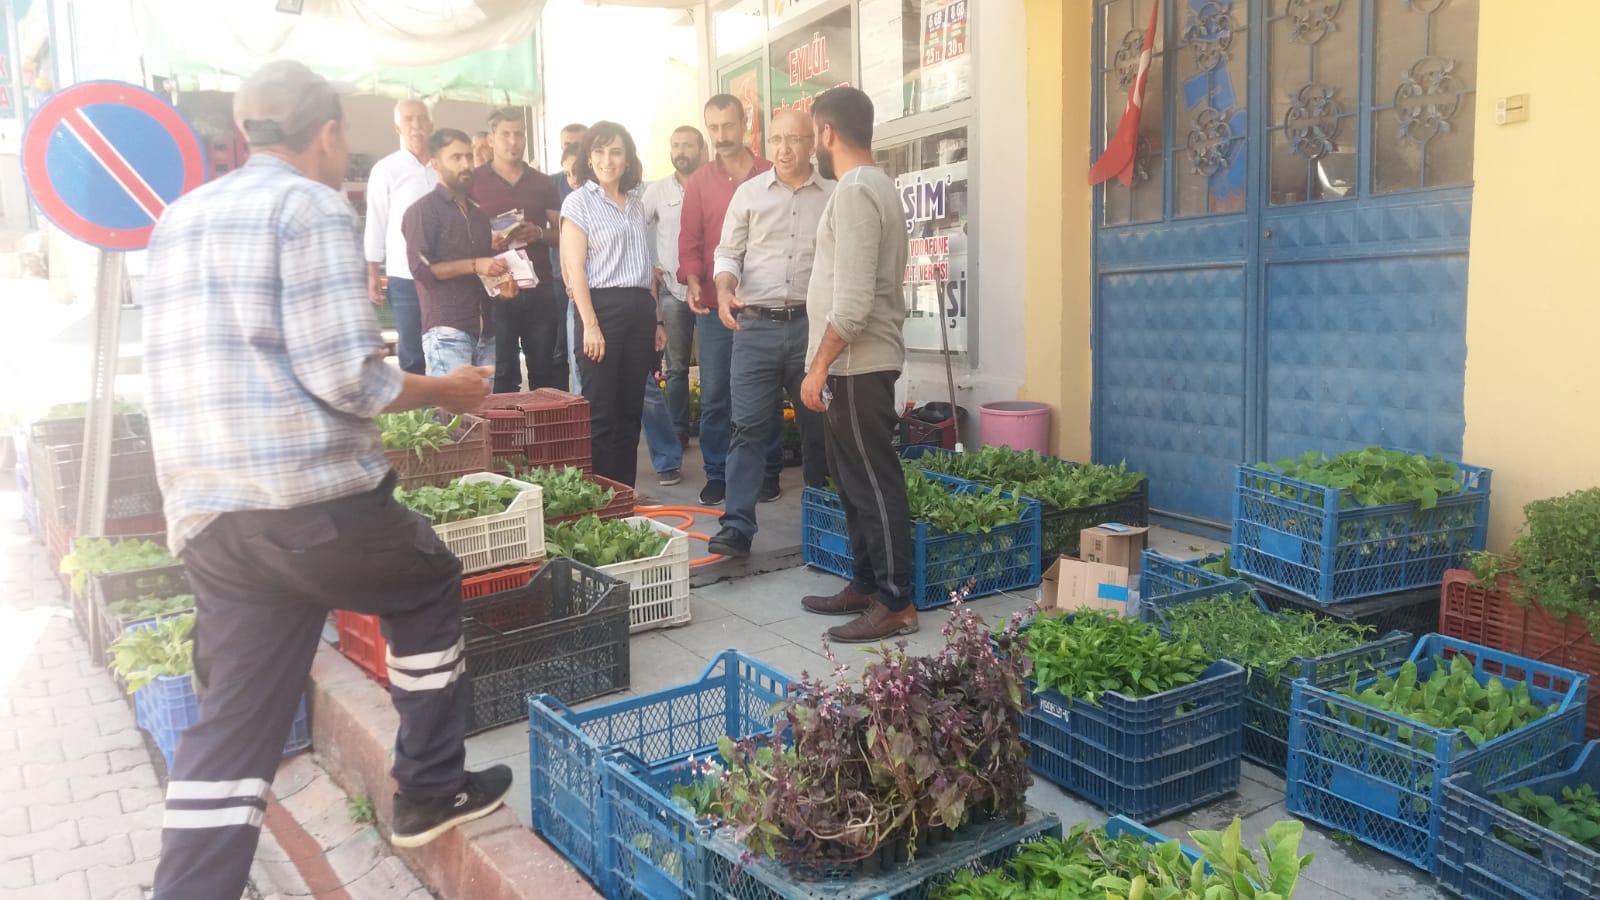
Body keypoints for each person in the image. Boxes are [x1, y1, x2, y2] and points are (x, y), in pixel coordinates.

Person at [139, 61, 509, 900]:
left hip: (209, 513)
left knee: (232, 736)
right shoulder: (309, 206)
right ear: (331, 133)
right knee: (426, 577)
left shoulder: (178, 218)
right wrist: (443, 390)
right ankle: (428, 787)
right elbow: (350, 378)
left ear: (245, 128)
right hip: (309, 498)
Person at [797, 86, 917, 644]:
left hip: (856, 365)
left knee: (873, 482)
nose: (811, 146)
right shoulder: (872, 185)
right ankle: (867, 585)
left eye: (811, 135)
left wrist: (817, 366)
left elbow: (852, 303)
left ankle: (895, 602)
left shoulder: (856, 190)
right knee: (852, 482)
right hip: (852, 365)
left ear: (827, 133)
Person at [705, 110, 833, 558]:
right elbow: (728, 253)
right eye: (776, 139)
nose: (784, 149)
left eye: (794, 139)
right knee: (747, 428)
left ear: (812, 142)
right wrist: (724, 289)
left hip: (812, 329)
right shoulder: (749, 194)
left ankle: (824, 524)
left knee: (819, 430)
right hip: (755, 326)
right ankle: (737, 527)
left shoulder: (833, 195)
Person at [679, 94, 785, 506]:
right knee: (716, 394)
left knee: (767, 393)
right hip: (714, 306)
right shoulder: (699, 182)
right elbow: (691, 240)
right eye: (714, 128)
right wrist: (692, 280)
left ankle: (768, 471)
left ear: (745, 124)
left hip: (764, 305)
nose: (721, 135)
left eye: (728, 125)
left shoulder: (772, 172)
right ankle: (718, 474)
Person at [559, 121, 663, 487]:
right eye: (600, 152)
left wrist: (657, 319)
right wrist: (590, 324)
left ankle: (624, 493)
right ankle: (602, 500)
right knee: (600, 412)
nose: (608, 160)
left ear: (627, 159)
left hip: (639, 309)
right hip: (600, 309)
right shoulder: (579, 202)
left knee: (630, 412)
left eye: (616, 152)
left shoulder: (635, 204)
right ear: (589, 157)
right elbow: (575, 270)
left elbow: (645, 266)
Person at [403, 128, 514, 376]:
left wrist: (501, 291)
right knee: (454, 403)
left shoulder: (479, 215)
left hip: (485, 330)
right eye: (456, 158)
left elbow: (483, 272)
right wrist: (475, 264)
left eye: (468, 157)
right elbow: (421, 270)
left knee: (486, 403)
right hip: (447, 330)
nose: (466, 165)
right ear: (435, 164)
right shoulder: (422, 211)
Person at [471, 107, 567, 392]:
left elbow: (565, 234)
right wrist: (486, 240)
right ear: (491, 139)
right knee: (502, 372)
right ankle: (506, 423)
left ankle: (544, 423)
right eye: (506, 134)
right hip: (495, 288)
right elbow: (460, 235)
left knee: (544, 371)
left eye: (519, 135)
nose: (513, 142)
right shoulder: (473, 181)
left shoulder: (542, 182)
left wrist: (539, 233)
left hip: (539, 289)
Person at [640, 125, 705, 449]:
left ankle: (715, 429)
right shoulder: (658, 191)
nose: (681, 151)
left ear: (701, 149)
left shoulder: (712, 184)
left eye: (687, 145)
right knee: (677, 368)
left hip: (710, 291)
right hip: (672, 291)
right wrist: (647, 266)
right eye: (676, 145)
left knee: (714, 367)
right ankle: (678, 431)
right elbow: (635, 228)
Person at [363, 98, 436, 375]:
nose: (416, 125)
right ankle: (416, 405)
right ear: (397, 128)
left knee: (447, 346)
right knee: (412, 352)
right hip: (404, 276)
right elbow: (376, 222)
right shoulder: (386, 169)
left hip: (447, 273)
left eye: (421, 118)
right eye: (408, 119)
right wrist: (373, 272)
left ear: (431, 125)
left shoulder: (443, 165)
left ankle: (447, 403)